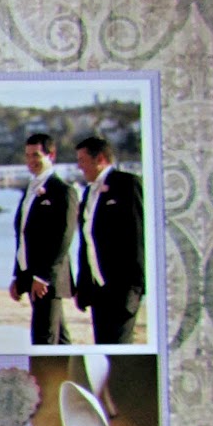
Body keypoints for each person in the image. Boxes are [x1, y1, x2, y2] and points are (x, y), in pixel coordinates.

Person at [8, 133, 79, 345]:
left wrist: (43, 277)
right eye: (28, 155)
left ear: (51, 155)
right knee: (59, 338)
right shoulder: (30, 190)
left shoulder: (63, 191)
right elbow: (23, 235)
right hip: (30, 275)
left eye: (36, 155)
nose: (31, 160)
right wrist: (18, 275)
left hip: (47, 279)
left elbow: (63, 237)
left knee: (43, 339)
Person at [73, 136, 145, 344]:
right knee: (102, 345)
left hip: (123, 290)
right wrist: (83, 287)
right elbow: (86, 243)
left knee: (119, 348)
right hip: (97, 290)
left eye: (82, 160)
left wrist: (135, 289)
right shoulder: (89, 192)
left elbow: (138, 238)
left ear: (100, 159)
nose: (79, 166)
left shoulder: (128, 184)